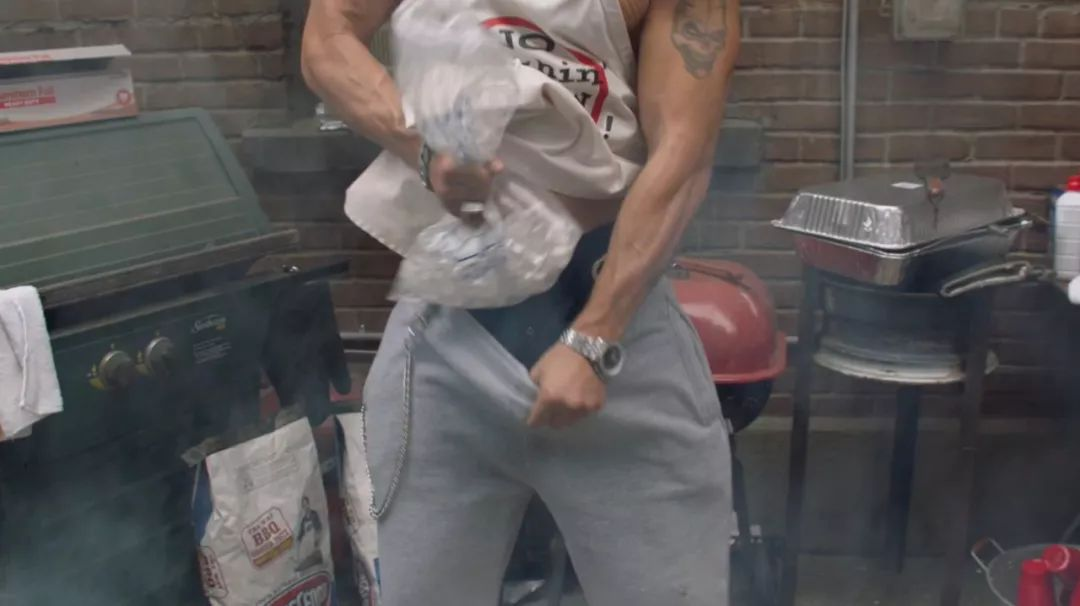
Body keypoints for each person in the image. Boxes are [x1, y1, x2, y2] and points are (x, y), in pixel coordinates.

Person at [301, 0, 741, 604]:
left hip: (619, 346)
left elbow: (684, 153)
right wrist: (424, 147)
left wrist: (595, 337)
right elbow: (327, 36)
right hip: (444, 344)